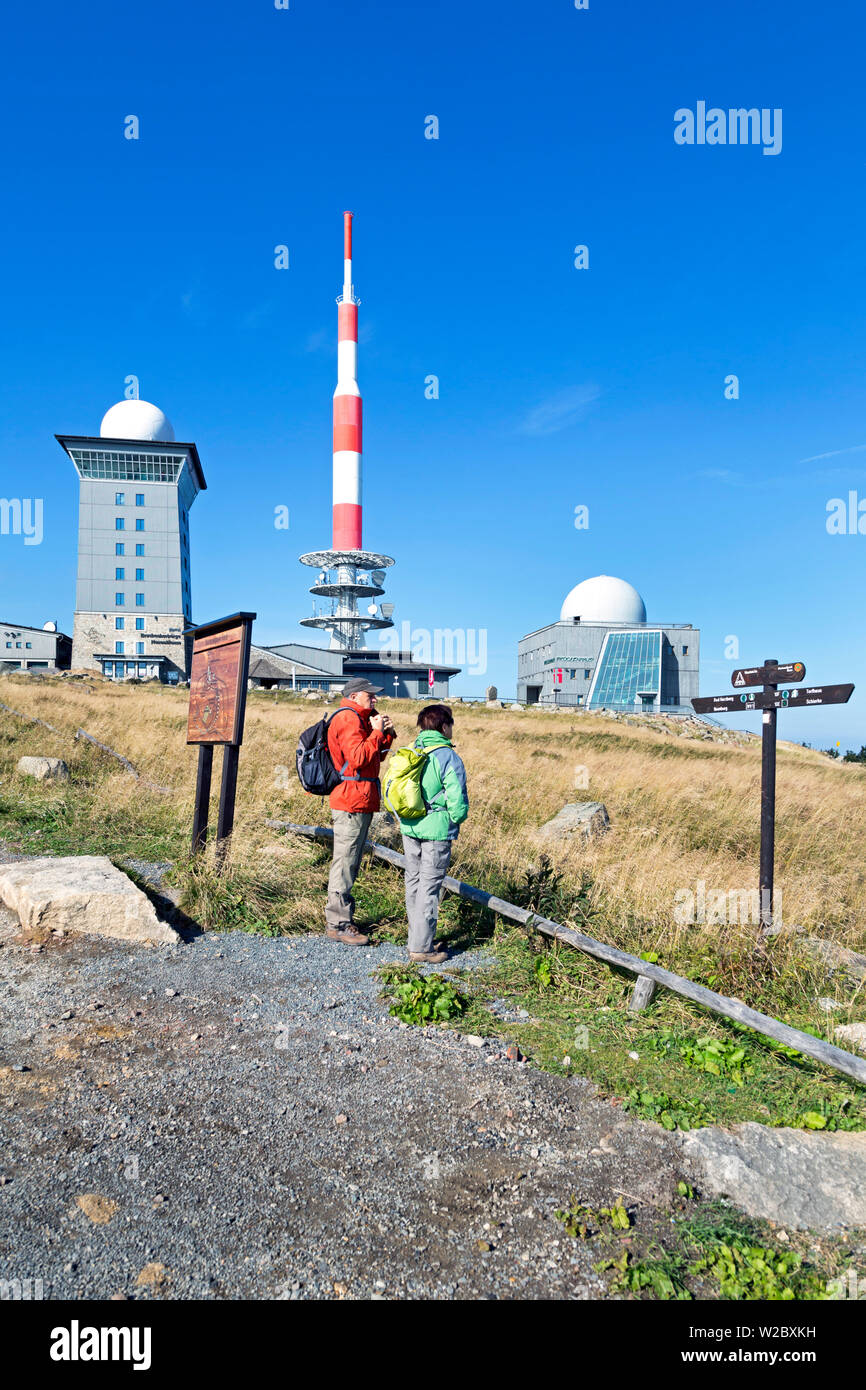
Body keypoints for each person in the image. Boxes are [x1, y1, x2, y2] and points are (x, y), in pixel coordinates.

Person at [324, 677, 395, 945]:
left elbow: (378, 756)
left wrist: (385, 732)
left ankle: (341, 920)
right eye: (370, 695)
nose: (375, 699)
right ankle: (339, 923)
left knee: (350, 859)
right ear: (354, 696)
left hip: (360, 798)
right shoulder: (348, 719)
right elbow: (358, 758)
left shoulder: (361, 718)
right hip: (350, 800)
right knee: (345, 860)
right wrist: (376, 732)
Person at [399, 704, 468, 964]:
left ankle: (417, 938)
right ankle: (421, 948)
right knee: (430, 886)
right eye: (451, 723)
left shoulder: (411, 750)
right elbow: (457, 799)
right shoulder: (448, 757)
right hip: (436, 829)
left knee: (414, 882)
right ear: (444, 726)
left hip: (410, 824)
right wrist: (456, 819)